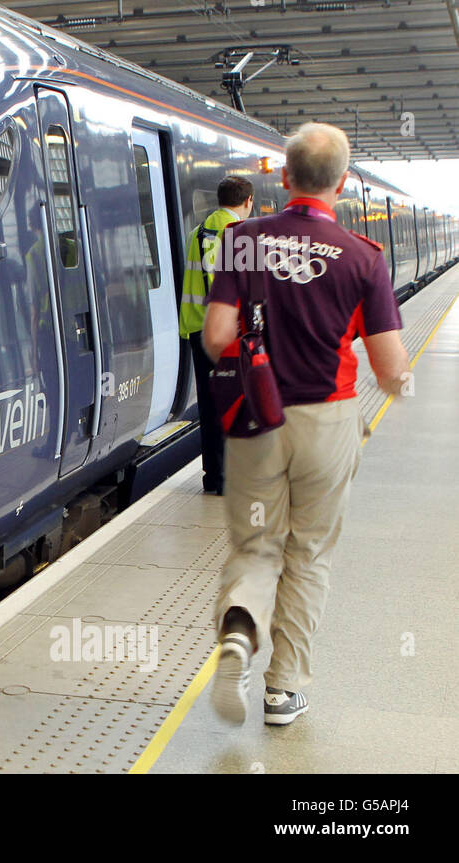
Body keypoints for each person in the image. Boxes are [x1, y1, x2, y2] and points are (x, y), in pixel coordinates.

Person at [202, 122, 410, 726]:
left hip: (256, 419)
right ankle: (284, 689)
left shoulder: (242, 240)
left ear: (284, 179)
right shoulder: (364, 259)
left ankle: (239, 629)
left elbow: (216, 337)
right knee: (309, 552)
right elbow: (393, 370)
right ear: (342, 185)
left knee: (257, 542)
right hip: (327, 418)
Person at [181, 176, 254, 495]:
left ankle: (214, 477)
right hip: (230, 334)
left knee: (210, 406)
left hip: (198, 331)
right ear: (247, 201)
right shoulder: (242, 235)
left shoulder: (196, 233)